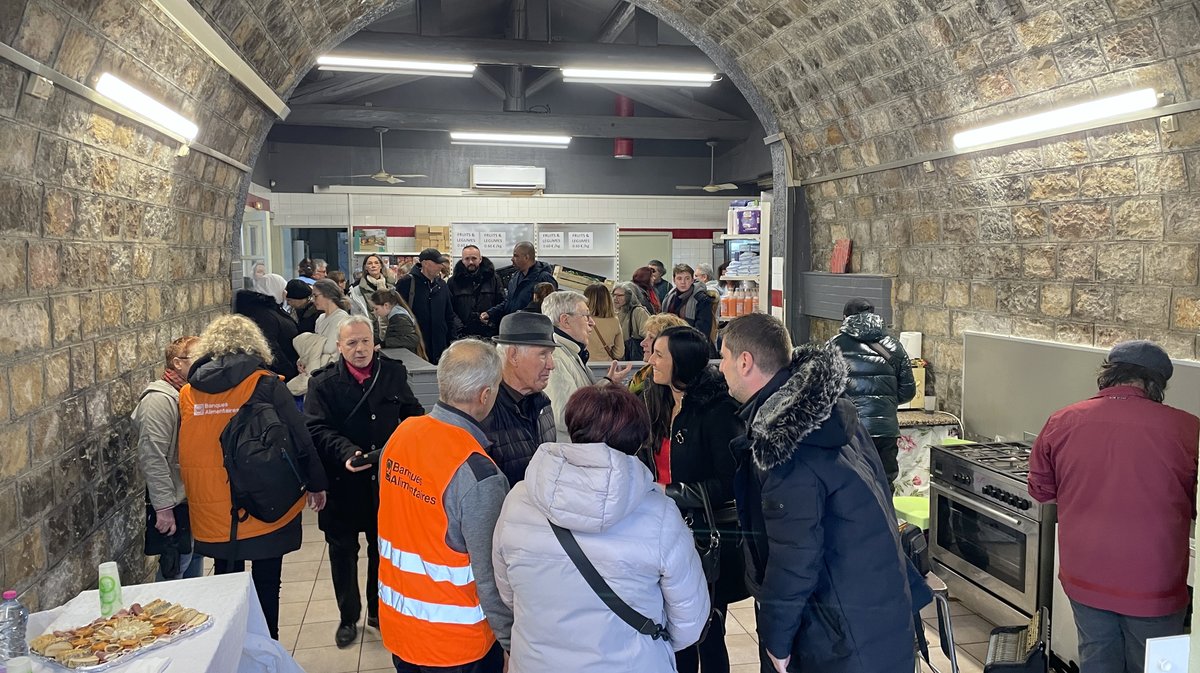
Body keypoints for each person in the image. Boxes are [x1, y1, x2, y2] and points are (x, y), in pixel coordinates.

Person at [718, 313, 923, 673]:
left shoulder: (786, 445)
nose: (720, 368)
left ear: (745, 361)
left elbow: (794, 555)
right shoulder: (829, 412)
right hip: (874, 609)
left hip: (839, 630)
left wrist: (777, 640)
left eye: (723, 357)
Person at [492, 384, 710, 673]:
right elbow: (690, 622)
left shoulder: (518, 500)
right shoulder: (660, 515)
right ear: (635, 441)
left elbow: (507, 593)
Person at [1029, 340, 1198, 673]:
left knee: (1096, 659)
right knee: (1163, 667)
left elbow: (1042, 492)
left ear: (1107, 375)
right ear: (1156, 385)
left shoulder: (1062, 421)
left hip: (1084, 575)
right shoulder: (1188, 429)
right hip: (1157, 583)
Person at [178, 314, 328, 640]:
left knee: (227, 587)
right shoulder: (266, 384)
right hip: (266, 503)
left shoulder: (189, 392)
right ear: (254, 344)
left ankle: (233, 651)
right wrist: (316, 485)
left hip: (212, 513)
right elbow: (300, 438)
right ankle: (266, 649)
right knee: (266, 583)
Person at [377, 339, 512, 673]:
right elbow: (490, 577)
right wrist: (512, 643)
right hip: (457, 647)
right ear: (485, 395)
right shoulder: (478, 473)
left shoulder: (400, 436)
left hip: (400, 629)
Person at [305, 316, 425, 648]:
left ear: (375, 342)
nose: (360, 349)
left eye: (365, 341)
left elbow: (411, 412)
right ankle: (348, 616)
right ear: (340, 347)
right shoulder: (323, 384)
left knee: (381, 551)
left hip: (386, 483)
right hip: (343, 483)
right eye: (352, 343)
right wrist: (345, 451)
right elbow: (315, 428)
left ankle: (377, 610)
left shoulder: (393, 372)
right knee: (342, 553)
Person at [644, 325, 744, 673]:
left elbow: (730, 483)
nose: (650, 359)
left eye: (659, 354)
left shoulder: (718, 411)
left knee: (707, 633)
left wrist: (671, 494)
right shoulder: (653, 398)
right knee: (671, 631)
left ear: (682, 363)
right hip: (659, 535)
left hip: (703, 539)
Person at [134, 335, 205, 581]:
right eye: (198, 358)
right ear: (177, 363)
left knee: (192, 565)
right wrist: (164, 507)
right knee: (173, 572)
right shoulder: (158, 400)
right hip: (174, 502)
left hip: (189, 499)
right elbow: (153, 456)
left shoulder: (189, 394)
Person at [828, 298, 915, 487]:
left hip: (849, 431)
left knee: (850, 486)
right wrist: (885, 403)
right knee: (883, 484)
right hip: (885, 432)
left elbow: (823, 391)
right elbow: (908, 391)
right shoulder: (894, 346)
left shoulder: (833, 346)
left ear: (845, 318)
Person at [542, 291, 633, 439]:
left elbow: (580, 397)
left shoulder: (571, 352)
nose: (592, 322)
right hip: (572, 453)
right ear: (565, 320)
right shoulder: (556, 359)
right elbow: (565, 415)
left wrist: (607, 383)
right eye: (586, 316)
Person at [483, 313, 557, 485]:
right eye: (543, 354)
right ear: (514, 355)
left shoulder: (543, 404)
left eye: (551, 354)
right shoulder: (484, 411)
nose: (551, 364)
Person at [396, 248, 460, 364]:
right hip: (417, 346)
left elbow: (449, 315)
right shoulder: (406, 283)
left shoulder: (442, 285)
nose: (441, 266)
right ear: (425, 263)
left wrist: (452, 341)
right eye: (437, 263)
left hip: (440, 348)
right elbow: (398, 313)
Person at [289, 279, 351, 396]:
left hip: (331, 374)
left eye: (315, 296)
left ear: (327, 295)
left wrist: (309, 345)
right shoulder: (320, 318)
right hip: (317, 373)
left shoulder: (341, 318)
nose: (313, 300)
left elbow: (329, 348)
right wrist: (303, 360)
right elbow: (317, 347)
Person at [481, 241, 556, 326]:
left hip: (533, 331)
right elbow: (509, 302)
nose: (512, 259)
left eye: (516, 256)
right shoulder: (515, 277)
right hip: (514, 328)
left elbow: (546, 306)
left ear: (526, 257)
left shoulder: (544, 278)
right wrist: (491, 313)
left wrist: (518, 315)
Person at [234, 285, 300, 381]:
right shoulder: (264, 314)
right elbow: (270, 345)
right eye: (283, 289)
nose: (285, 294)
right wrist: (289, 371)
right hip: (279, 373)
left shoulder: (271, 309)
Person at [449, 245, 505, 339]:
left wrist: (491, 320)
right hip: (462, 335)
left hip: (488, 334)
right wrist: (459, 328)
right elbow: (449, 309)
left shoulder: (493, 279)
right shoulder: (453, 282)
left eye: (474, 258)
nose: (470, 262)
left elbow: (502, 303)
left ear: (480, 259)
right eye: (467, 259)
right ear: (462, 260)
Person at [628, 313, 687, 395]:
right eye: (645, 337)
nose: (642, 343)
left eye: (651, 337)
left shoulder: (676, 385)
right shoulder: (642, 376)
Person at [662, 264, 715, 343]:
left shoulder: (701, 299)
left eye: (687, 278)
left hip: (692, 343)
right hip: (670, 342)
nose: (683, 282)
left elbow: (703, 330)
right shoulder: (669, 297)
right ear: (674, 280)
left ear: (692, 280)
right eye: (679, 278)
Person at [349, 254, 395, 342]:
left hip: (389, 330)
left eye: (376, 263)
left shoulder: (390, 287)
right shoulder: (358, 289)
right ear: (365, 267)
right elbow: (355, 314)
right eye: (369, 263)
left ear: (381, 266)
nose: (373, 266)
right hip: (369, 331)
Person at [370, 288, 426, 358]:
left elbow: (412, 339)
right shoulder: (396, 315)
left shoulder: (398, 318)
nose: (374, 312)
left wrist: (384, 344)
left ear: (386, 305)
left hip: (406, 359)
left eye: (376, 309)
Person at [584, 284, 624, 363]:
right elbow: (619, 353)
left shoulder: (581, 320)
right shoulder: (614, 321)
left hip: (584, 365)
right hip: (606, 367)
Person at [613, 281, 651, 361]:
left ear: (630, 296)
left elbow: (649, 334)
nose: (615, 298)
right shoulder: (616, 312)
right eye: (614, 295)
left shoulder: (639, 311)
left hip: (635, 358)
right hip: (621, 357)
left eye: (620, 295)